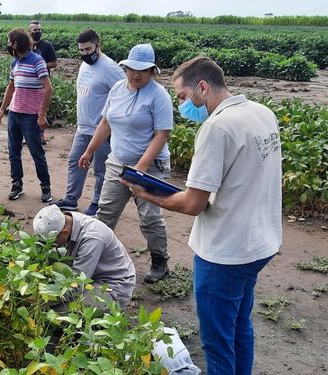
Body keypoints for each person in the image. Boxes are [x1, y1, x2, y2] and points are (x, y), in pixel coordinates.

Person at [122, 56, 282, 375]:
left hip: (225, 252)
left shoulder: (216, 127)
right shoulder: (263, 113)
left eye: (182, 97)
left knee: (217, 341)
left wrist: (149, 193)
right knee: (238, 325)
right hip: (260, 243)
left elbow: (194, 204)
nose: (182, 105)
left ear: (203, 88)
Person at [78, 44, 174, 283]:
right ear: (125, 68)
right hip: (118, 161)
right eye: (132, 69)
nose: (136, 75)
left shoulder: (159, 95)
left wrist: (141, 167)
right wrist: (90, 150)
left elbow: (161, 134)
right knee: (105, 213)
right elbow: (105, 123)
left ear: (153, 71)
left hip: (150, 166)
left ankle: (160, 262)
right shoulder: (118, 89)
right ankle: (96, 258)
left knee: (150, 217)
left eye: (143, 70)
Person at [50, 29, 124, 216]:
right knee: (76, 162)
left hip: (102, 129)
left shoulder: (110, 68)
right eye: (81, 50)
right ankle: (71, 199)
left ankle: (98, 203)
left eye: (88, 49)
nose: (84, 54)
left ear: (98, 45)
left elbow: (125, 95)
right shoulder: (84, 66)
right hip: (83, 127)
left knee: (101, 170)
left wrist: (110, 121)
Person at [32, 204, 136, 311]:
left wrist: (40, 299)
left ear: (65, 233)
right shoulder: (67, 220)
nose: (47, 246)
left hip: (113, 286)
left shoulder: (93, 239)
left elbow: (77, 284)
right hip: (90, 278)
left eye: (51, 242)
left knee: (49, 311)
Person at [0, 28, 53, 202]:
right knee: (14, 152)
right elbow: (11, 87)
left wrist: (41, 114)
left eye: (9, 42)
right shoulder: (15, 63)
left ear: (16, 43)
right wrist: (2, 108)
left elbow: (48, 88)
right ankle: (17, 184)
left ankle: (45, 187)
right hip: (15, 114)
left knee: (37, 153)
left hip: (30, 116)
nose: (8, 45)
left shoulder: (37, 61)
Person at [29, 20, 57, 145]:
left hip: (42, 82)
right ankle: (30, 135)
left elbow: (54, 63)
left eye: (39, 30)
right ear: (30, 31)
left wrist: (40, 66)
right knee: (30, 108)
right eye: (35, 30)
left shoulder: (47, 45)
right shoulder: (27, 45)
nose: (38, 32)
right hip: (29, 82)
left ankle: (41, 136)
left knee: (42, 108)